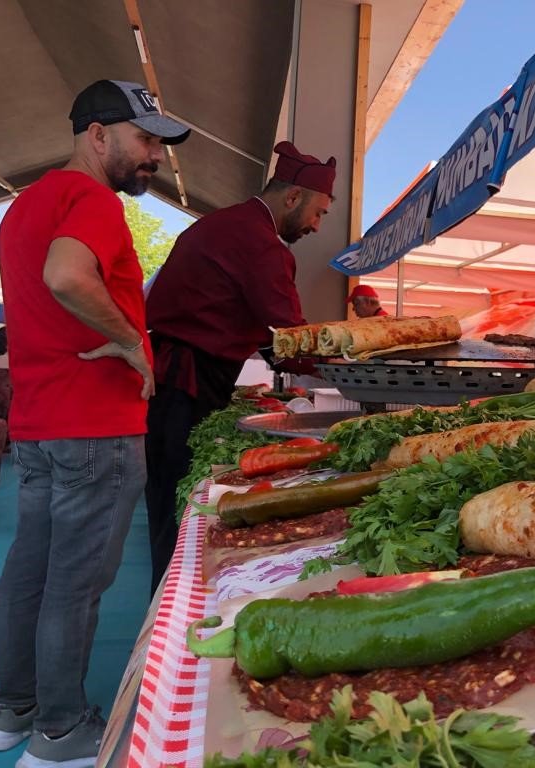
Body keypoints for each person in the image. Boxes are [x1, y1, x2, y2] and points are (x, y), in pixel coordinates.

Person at [0, 79, 189, 766]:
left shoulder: (22, 209)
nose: (154, 154)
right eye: (146, 138)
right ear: (98, 136)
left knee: (29, 574)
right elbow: (68, 275)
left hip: (40, 421)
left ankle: (12, 711)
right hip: (94, 425)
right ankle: (62, 731)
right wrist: (131, 340)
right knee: (73, 583)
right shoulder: (90, 198)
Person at [144, 141, 335, 595]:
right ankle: (174, 607)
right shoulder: (259, 242)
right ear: (292, 198)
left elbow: (264, 333)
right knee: (175, 509)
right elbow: (291, 336)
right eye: (319, 212)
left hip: (174, 381)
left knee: (167, 505)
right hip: (183, 386)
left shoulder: (227, 225)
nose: (316, 224)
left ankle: (166, 595)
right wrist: (345, 366)